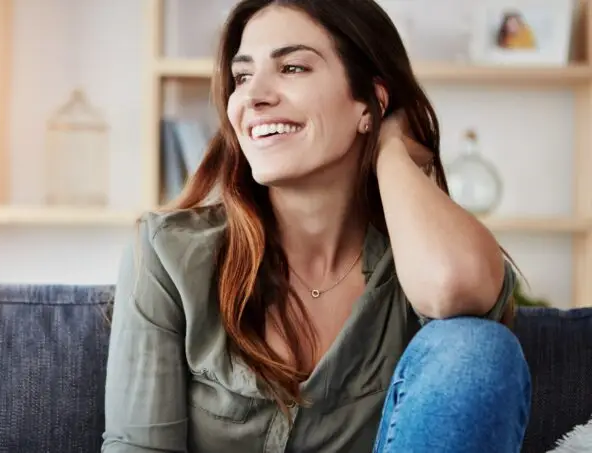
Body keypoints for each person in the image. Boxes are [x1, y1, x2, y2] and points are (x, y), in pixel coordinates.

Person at [103, 0, 532, 451]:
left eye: (291, 68)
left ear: (369, 102)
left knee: (477, 349)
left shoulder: (416, 264)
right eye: (243, 76)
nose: (253, 96)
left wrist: (390, 150)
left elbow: (455, 289)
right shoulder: (167, 254)